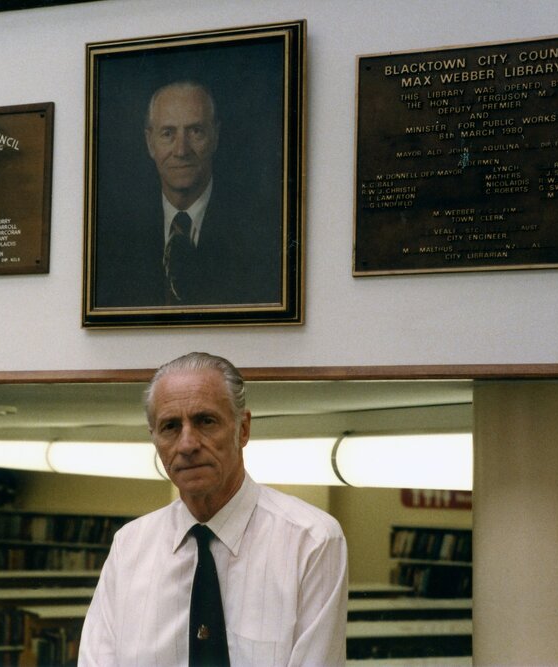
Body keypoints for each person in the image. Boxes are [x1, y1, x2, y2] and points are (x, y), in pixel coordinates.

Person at [78, 352, 348, 666]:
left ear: (243, 429)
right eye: (170, 427)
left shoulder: (311, 541)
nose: (187, 444)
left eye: (206, 421)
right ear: (153, 439)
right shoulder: (129, 547)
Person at [92, 81, 283, 308]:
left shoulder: (262, 230)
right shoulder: (116, 238)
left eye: (195, 131)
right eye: (168, 133)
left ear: (215, 136)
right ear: (149, 143)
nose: (181, 150)